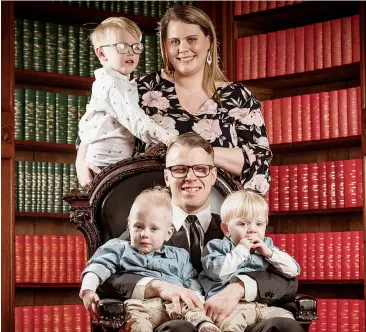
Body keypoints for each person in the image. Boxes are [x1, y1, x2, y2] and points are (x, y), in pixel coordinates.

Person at [98, 132, 303, 332]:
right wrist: (158, 287)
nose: (190, 177)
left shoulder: (235, 228)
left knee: (285, 326)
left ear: (213, 175)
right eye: (180, 169)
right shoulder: (144, 231)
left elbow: (288, 281)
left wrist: (238, 288)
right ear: (167, 176)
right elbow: (107, 279)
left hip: (240, 320)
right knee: (181, 328)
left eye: (201, 169)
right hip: (173, 319)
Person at [76, 5, 272, 197]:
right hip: (151, 215)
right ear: (165, 46)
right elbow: (98, 120)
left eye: (191, 39)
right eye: (175, 41)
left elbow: (258, 163)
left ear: (209, 41)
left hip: (222, 212)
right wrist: (80, 160)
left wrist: (193, 152)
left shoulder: (238, 97)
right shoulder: (143, 88)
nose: (183, 48)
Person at [80, 186, 220, 332]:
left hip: (176, 306)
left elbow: (192, 284)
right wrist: (88, 289)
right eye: (138, 226)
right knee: (133, 311)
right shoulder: (119, 249)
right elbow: (97, 266)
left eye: (153, 229)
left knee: (189, 304)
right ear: (129, 226)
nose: (144, 234)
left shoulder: (179, 256)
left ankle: (204, 325)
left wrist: (200, 302)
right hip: (142, 306)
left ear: (168, 233)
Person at [78, 17, 177, 170]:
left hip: (116, 161)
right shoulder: (111, 84)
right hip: (105, 164)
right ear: (101, 54)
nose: (131, 53)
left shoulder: (122, 83)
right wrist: (168, 138)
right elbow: (135, 119)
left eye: (136, 47)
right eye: (122, 46)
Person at [199, 190, 301, 332]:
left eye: (259, 224)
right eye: (243, 224)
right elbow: (216, 272)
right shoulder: (218, 246)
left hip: (262, 306)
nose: (252, 229)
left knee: (287, 319)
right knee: (229, 327)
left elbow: (293, 270)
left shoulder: (266, 246)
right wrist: (241, 250)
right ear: (226, 229)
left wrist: (269, 253)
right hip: (233, 309)